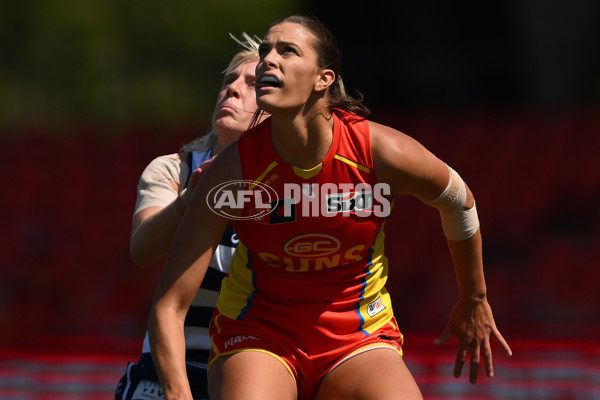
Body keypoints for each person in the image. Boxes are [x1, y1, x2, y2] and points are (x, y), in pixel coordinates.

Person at [148, 15, 512, 400]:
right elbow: (168, 306)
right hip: (259, 334)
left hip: (358, 337)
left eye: (287, 50)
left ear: (324, 78)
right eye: (265, 51)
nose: (268, 59)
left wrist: (474, 299)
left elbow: (459, 202)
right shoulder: (233, 171)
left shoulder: (379, 151)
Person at [114, 32, 262, 400]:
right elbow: (142, 248)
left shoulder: (298, 186)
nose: (233, 89)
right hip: (170, 369)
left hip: (257, 373)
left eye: (253, 84)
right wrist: (188, 201)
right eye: (229, 81)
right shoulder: (173, 170)